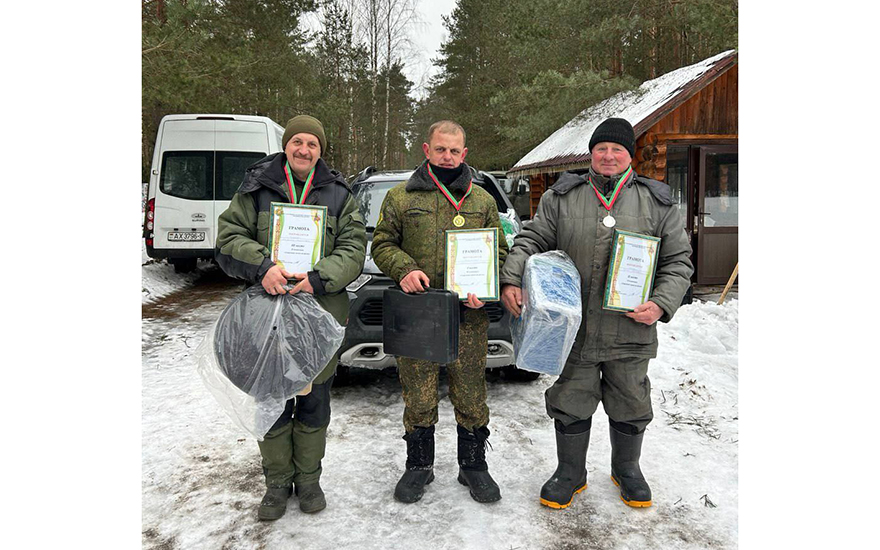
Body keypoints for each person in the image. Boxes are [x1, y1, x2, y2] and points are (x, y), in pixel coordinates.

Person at [499, 117, 693, 510]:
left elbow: (678, 261)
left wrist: (661, 303)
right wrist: (512, 278)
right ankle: (570, 472)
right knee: (571, 398)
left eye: (616, 149)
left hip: (631, 329)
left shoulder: (656, 202)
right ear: (591, 153)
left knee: (631, 401)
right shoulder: (562, 197)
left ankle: (627, 468)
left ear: (629, 155)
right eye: (601, 148)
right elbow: (532, 238)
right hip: (575, 330)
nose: (608, 156)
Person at [215, 115, 366, 521]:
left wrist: (318, 278)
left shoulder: (339, 194)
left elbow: (353, 248)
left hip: (320, 318)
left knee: (314, 402)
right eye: (297, 141)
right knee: (272, 400)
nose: (304, 149)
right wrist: (262, 266)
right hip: (265, 319)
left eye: (312, 144)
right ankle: (277, 483)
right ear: (286, 146)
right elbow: (228, 238)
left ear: (321, 150)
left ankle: (310, 480)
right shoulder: (256, 187)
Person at [371, 120, 509, 504]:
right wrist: (403, 268)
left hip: (469, 316)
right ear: (426, 150)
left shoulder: (482, 201)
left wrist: (485, 288)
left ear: (464, 154)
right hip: (420, 312)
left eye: (454, 150)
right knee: (418, 394)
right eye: (440, 149)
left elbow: (499, 251)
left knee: (471, 393)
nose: (447, 156)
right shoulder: (401, 198)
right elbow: (382, 244)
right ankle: (419, 465)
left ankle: (473, 465)